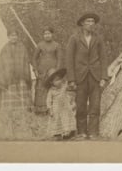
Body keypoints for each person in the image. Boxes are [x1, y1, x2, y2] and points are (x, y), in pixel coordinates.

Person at [66, 12, 109, 140]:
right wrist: (71, 79)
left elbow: (103, 58)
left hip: (95, 76)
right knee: (81, 105)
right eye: (88, 21)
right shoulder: (74, 38)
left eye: (92, 22)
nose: (91, 24)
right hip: (80, 77)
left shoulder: (98, 38)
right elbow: (69, 59)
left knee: (95, 105)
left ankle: (93, 132)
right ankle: (82, 132)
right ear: (82, 24)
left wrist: (103, 77)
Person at [0, 29, 33, 113]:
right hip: (9, 79)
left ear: (17, 36)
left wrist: (26, 75)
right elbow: (1, 63)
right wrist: (3, 77)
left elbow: (26, 62)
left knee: (22, 97)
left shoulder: (22, 47)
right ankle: (10, 113)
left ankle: (23, 113)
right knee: (10, 96)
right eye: (12, 35)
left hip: (21, 76)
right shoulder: (5, 48)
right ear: (8, 37)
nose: (14, 37)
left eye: (15, 35)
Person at [32, 27, 64, 114]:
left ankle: (52, 109)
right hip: (42, 70)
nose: (47, 35)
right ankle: (41, 110)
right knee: (41, 88)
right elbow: (34, 58)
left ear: (52, 34)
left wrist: (57, 70)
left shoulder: (57, 45)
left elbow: (60, 58)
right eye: (45, 34)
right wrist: (35, 69)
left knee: (52, 88)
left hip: (52, 70)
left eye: (49, 33)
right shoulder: (40, 45)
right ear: (43, 35)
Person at [45, 68, 76, 140]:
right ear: (51, 82)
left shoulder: (64, 86)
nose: (59, 82)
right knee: (56, 121)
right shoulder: (51, 91)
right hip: (56, 108)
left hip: (65, 108)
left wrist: (71, 102)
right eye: (56, 80)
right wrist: (50, 109)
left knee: (67, 119)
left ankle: (68, 133)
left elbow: (69, 93)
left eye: (60, 79)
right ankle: (57, 134)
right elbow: (48, 100)